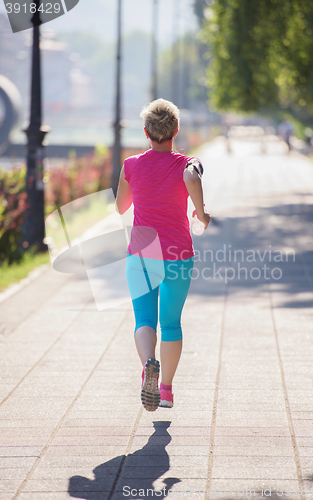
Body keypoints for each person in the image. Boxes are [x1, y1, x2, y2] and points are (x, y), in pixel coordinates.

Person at [116, 98, 210, 412]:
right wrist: (201, 213)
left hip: (142, 250)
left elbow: (121, 208)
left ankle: (148, 365)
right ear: (176, 131)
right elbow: (192, 176)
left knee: (144, 320)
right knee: (171, 324)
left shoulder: (131, 165)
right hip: (178, 251)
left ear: (146, 132)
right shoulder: (187, 163)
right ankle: (166, 390)